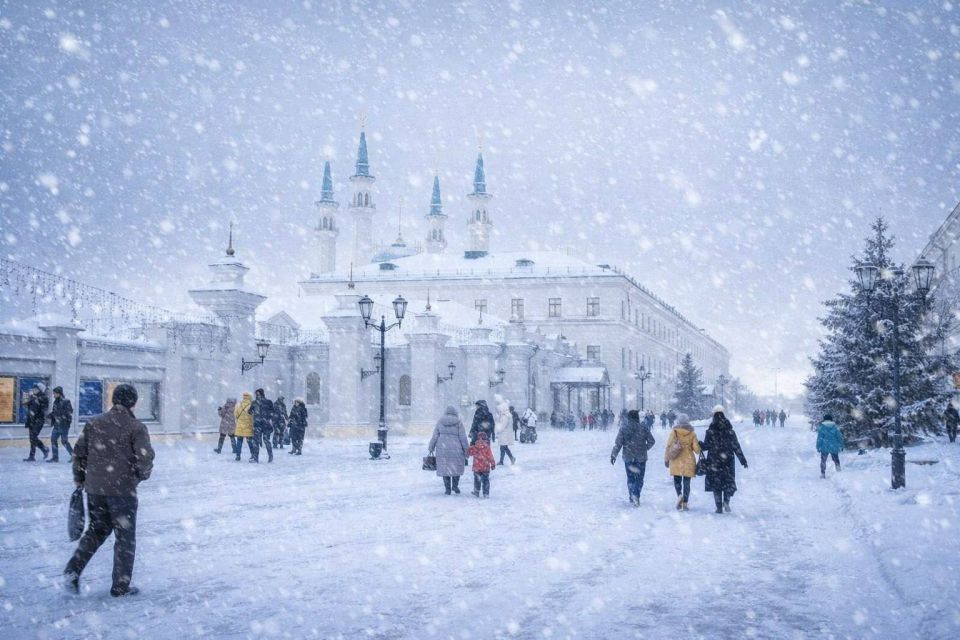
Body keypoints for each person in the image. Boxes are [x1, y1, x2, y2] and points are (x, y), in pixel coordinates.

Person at [63, 383, 155, 597]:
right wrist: (138, 476)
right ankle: (120, 586)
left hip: (94, 489)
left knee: (96, 530)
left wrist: (80, 478)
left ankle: (73, 569)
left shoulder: (94, 423)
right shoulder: (136, 427)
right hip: (122, 491)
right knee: (125, 538)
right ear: (133, 402)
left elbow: (79, 453)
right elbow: (145, 458)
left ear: (113, 400)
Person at [701, 405, 747, 514]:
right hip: (728, 461)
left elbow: (706, 446)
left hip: (714, 461)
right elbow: (736, 446)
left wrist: (701, 445)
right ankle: (726, 502)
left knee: (716, 484)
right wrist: (742, 460)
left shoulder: (710, 431)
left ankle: (719, 507)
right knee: (728, 483)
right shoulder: (730, 431)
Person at [610, 409, 656, 506]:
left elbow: (618, 443)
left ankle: (632, 494)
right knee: (640, 478)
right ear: (637, 417)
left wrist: (614, 454)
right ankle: (636, 494)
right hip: (641, 457)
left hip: (628, 457)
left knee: (630, 477)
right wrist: (645, 448)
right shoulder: (643, 427)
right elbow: (652, 441)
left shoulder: (623, 428)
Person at [428, 406, 470, 495]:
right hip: (456, 447)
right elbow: (463, 437)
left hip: (442, 448)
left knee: (445, 468)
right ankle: (455, 485)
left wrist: (431, 447)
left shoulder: (440, 421)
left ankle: (447, 488)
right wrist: (466, 450)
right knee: (456, 467)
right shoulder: (458, 422)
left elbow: (435, 436)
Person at [664, 413, 700, 511]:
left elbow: (668, 446)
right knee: (687, 483)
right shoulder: (692, 434)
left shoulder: (674, 432)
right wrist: (698, 445)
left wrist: (666, 459)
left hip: (676, 460)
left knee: (677, 480)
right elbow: (697, 450)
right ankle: (685, 503)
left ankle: (679, 495)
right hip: (688, 461)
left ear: (678, 421)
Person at [22, 382, 49, 461]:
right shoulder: (34, 397)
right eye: (33, 389)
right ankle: (41, 451)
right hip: (31, 420)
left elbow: (43, 409)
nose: (33, 390)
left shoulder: (44, 398)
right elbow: (25, 404)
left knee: (33, 437)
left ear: (40, 390)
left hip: (38, 421)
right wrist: (26, 399)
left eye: (35, 389)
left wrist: (37, 402)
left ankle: (35, 454)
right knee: (32, 438)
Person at [47, 386, 74, 463]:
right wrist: (50, 415)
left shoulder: (66, 401)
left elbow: (70, 412)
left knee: (64, 441)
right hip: (57, 425)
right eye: (53, 393)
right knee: (53, 440)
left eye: (55, 393)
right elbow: (55, 412)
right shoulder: (55, 402)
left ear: (59, 393)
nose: (53, 395)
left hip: (64, 425)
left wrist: (66, 421)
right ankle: (55, 458)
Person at [468, 431, 496, 498]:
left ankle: (476, 491)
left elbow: (470, 453)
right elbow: (490, 456)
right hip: (485, 467)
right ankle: (486, 493)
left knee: (477, 480)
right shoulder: (487, 447)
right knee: (486, 481)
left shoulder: (475, 446)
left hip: (477, 467)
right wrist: (492, 464)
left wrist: (470, 448)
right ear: (486, 438)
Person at [249, 388, 274, 463]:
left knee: (261, 441)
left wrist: (266, 416)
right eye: (257, 394)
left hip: (261, 424)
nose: (257, 395)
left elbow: (249, 412)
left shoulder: (257, 402)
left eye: (258, 394)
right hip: (261, 424)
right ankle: (262, 457)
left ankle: (265, 457)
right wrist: (267, 417)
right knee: (261, 441)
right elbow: (250, 412)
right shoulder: (266, 402)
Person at [816, 413, 843, 478]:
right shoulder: (835, 427)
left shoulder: (822, 427)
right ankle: (839, 472)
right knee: (836, 460)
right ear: (831, 419)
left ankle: (823, 474)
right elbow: (840, 437)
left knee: (823, 461)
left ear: (824, 420)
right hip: (834, 446)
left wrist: (818, 447)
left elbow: (819, 438)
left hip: (824, 447)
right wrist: (841, 445)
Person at [233, 392, 255, 461]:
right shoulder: (251, 405)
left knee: (239, 441)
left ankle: (238, 456)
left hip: (240, 426)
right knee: (250, 442)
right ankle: (253, 455)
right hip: (248, 426)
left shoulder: (238, 405)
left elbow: (235, 415)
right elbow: (253, 416)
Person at [495, 398, 516, 465]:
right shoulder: (507, 415)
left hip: (504, 434)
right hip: (506, 434)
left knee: (504, 447)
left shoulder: (505, 417)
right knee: (503, 447)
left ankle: (510, 458)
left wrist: (498, 430)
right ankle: (505, 460)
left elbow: (502, 426)